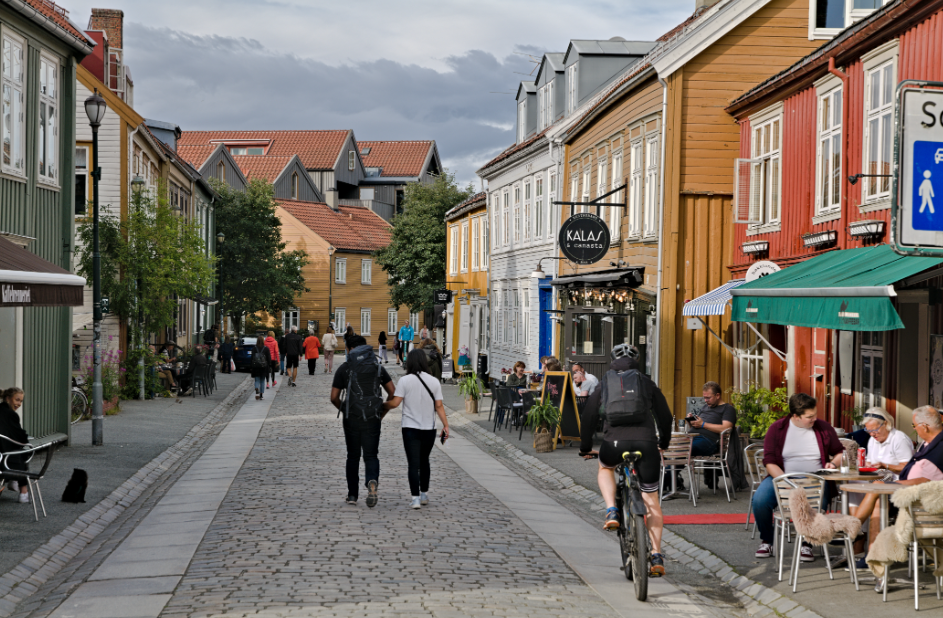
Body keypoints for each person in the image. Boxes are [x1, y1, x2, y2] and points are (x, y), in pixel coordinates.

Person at [592, 344, 672, 577]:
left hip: (614, 444)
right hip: (646, 445)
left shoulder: (605, 382)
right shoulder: (646, 382)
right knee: (651, 499)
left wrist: (586, 446)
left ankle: (611, 510)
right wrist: (663, 442)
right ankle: (656, 554)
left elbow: (588, 415)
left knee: (605, 467)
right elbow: (665, 416)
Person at [752, 393, 844, 561]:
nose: (814, 419)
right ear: (795, 416)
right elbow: (769, 462)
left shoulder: (823, 427)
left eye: (815, 414)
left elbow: (839, 452)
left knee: (818, 503)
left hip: (815, 480)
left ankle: (807, 544)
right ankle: (767, 540)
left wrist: (833, 463)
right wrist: (785, 482)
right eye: (809, 417)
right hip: (782, 477)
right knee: (760, 501)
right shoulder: (777, 429)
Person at [845, 407, 916, 569]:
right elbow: (871, 463)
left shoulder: (899, 439)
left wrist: (886, 465)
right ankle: (857, 533)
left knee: (877, 496)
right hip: (879, 482)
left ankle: (856, 534)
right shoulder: (873, 440)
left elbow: (908, 468)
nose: (872, 434)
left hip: (898, 487)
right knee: (852, 486)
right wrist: (867, 465)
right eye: (868, 431)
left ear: (886, 424)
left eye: (875, 430)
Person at [330, 335, 395, 507]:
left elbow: (334, 397)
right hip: (373, 417)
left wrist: (345, 409)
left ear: (350, 349)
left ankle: (352, 495)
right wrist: (382, 411)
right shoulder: (377, 367)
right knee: (371, 455)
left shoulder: (345, 368)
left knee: (352, 456)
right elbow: (392, 392)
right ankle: (372, 481)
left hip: (351, 418)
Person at [384, 349, 450, 509]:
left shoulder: (404, 381)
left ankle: (415, 499)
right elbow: (439, 406)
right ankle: (424, 494)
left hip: (410, 428)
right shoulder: (434, 381)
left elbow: (395, 403)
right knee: (424, 461)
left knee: (413, 463)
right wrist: (446, 425)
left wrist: (381, 405)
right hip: (429, 428)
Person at [0, 387, 32, 503]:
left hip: (2, 453)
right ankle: (23, 490)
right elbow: (20, 436)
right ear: (8, 399)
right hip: (5, 456)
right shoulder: (11, 414)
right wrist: (26, 440)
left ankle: (15, 482)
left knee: (18, 450)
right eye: (17, 400)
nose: (19, 404)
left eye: (21, 401)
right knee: (23, 452)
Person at [688, 381, 737, 457]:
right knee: (672, 448)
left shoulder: (727, 408)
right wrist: (692, 422)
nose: (705, 400)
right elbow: (699, 425)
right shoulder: (705, 407)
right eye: (704, 398)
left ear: (717, 395)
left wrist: (703, 424)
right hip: (692, 437)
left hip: (708, 440)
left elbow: (726, 428)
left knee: (683, 449)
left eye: (708, 398)